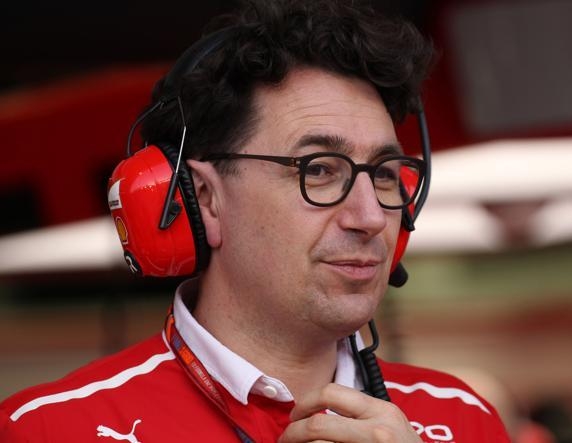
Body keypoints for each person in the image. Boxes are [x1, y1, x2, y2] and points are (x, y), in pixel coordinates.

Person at [0, 1, 511, 441]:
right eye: (318, 170)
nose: (371, 216)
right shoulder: (48, 429)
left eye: (383, 174)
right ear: (204, 199)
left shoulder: (464, 418)